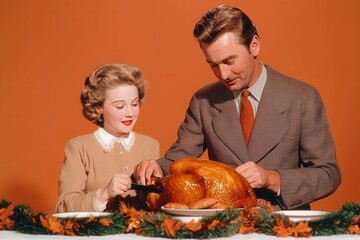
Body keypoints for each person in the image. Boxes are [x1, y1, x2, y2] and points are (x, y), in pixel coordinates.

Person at [133, 5, 341, 210]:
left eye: (229, 61)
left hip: (283, 226)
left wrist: (271, 178)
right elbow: (177, 160)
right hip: (224, 225)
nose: (223, 74)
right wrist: (157, 167)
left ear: (254, 46)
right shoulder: (203, 100)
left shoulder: (303, 97)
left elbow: (328, 174)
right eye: (213, 64)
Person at [56, 63, 160, 212]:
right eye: (119, 106)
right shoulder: (78, 147)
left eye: (134, 104)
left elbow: (157, 205)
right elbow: (63, 207)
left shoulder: (151, 145)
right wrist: (103, 194)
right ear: (98, 107)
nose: (130, 113)